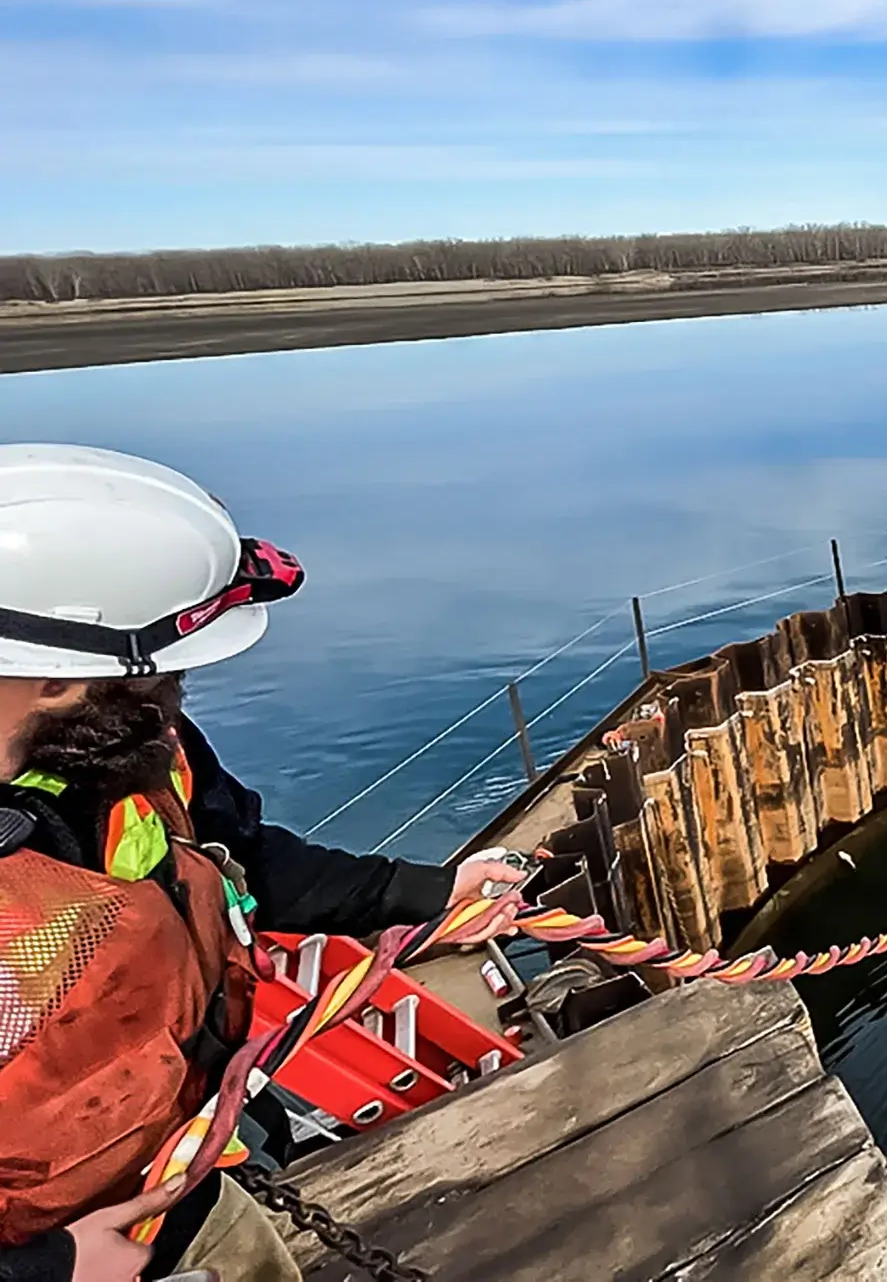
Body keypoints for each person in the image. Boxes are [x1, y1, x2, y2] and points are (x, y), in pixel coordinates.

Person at [0, 444, 528, 1282]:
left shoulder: (131, 751)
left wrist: (426, 894)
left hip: (178, 1170)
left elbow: (237, 855)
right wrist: (42, 1269)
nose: (177, 691)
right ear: (57, 683)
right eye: (161, 671)